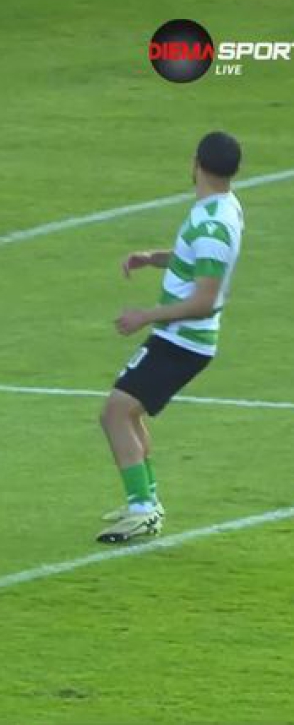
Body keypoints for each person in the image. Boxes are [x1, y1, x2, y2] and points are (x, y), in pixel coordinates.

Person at [97, 131, 244, 544]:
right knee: (127, 412)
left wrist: (144, 316)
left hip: (184, 341)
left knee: (115, 413)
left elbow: (205, 301)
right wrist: (154, 258)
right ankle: (145, 501)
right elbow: (197, 261)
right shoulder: (221, 207)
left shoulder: (213, 224)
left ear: (196, 162)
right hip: (180, 337)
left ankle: (143, 509)